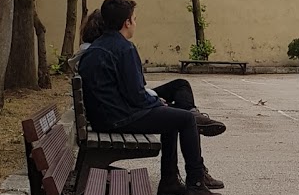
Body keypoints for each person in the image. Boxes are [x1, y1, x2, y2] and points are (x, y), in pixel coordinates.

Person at [78, 0, 224, 195]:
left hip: (107, 115)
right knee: (185, 119)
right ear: (126, 22)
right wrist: (158, 103)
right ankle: (196, 184)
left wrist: (159, 105)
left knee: (174, 116)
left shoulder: (100, 45)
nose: (135, 23)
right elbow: (136, 96)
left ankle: (170, 181)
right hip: (118, 118)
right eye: (134, 19)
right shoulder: (124, 48)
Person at [77, 8, 226, 137]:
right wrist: (155, 102)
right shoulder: (115, 50)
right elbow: (133, 93)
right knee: (181, 117)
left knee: (180, 88)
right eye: (133, 20)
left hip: (116, 108)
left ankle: (193, 115)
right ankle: (193, 120)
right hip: (120, 113)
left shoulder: (97, 49)